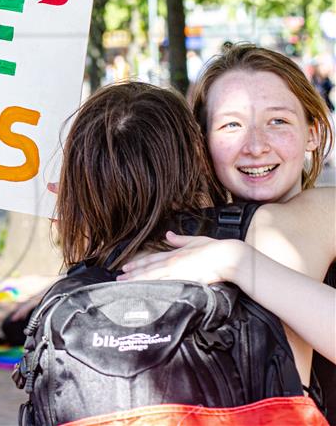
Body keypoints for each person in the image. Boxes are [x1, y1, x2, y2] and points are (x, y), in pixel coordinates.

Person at [46, 81, 329, 421]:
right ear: (199, 153)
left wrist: (89, 209)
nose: (254, 146)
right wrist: (235, 261)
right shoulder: (282, 228)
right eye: (230, 125)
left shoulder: (88, 278)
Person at [119, 44, 335, 417]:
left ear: (313, 134)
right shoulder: (175, 234)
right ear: (202, 142)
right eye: (231, 125)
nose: (255, 146)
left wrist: (236, 263)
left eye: (278, 121)